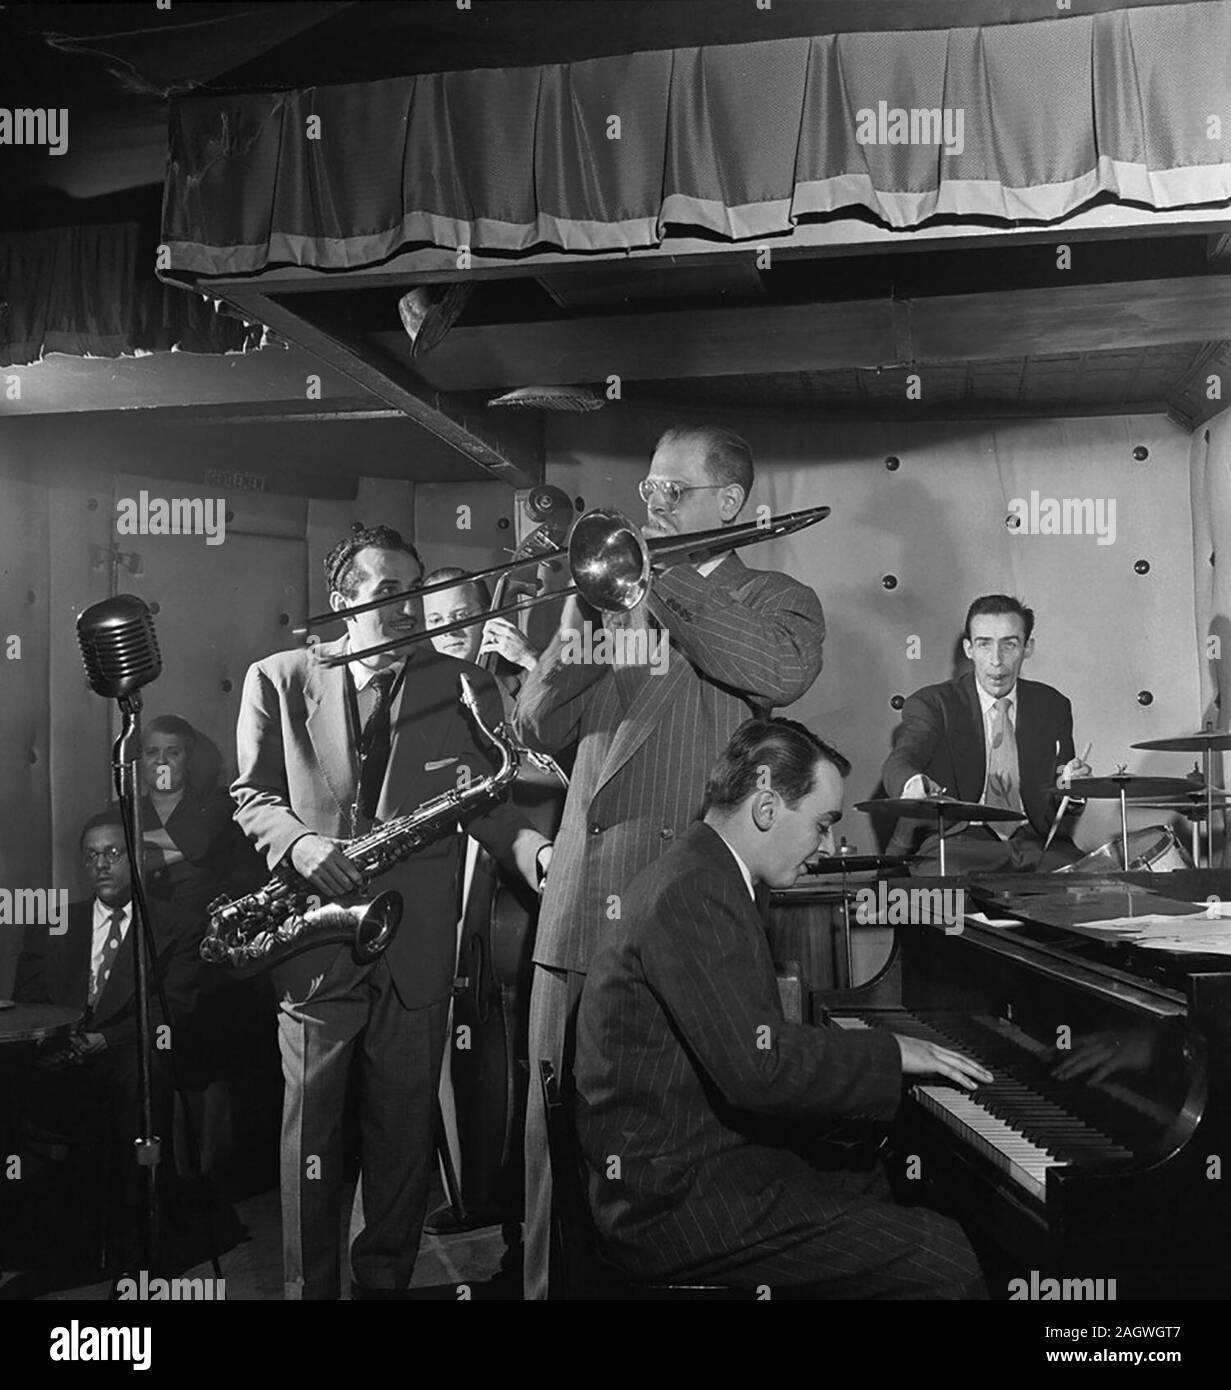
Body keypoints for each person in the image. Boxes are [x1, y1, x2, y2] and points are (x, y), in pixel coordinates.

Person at [514, 423, 827, 1298]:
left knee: (662, 1162)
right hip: (580, 906)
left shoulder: (776, 595)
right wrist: (588, 604)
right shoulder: (607, 602)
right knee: (553, 1155)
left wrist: (661, 577)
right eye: (646, 492)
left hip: (681, 923)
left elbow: (773, 672)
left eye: (670, 494)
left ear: (726, 504)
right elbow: (536, 725)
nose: (649, 507)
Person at [231, 522, 552, 1300]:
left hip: (416, 942)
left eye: (414, 591)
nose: (407, 608)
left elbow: (492, 803)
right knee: (309, 1132)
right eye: (387, 591)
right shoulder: (275, 675)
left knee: (403, 1133)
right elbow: (252, 795)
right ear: (342, 600)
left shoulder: (462, 683)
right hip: (315, 937)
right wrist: (303, 847)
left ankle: (384, 1283)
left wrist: (533, 852)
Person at [574, 717, 990, 1297]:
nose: (824, 847)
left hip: (683, 1164)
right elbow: (759, 1071)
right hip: (673, 1205)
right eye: (821, 825)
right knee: (949, 1260)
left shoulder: (703, 870)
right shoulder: (697, 891)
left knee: (877, 1178)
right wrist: (891, 1052)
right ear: (767, 806)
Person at [1, 810, 201, 1278]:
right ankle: (19, 1244)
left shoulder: (175, 925)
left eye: (113, 853)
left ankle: (134, 1254)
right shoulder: (55, 923)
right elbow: (31, 1001)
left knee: (142, 1075)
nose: (101, 865)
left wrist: (101, 1040)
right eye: (91, 856)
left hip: (125, 1056)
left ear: (136, 858)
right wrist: (55, 1044)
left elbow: (174, 1014)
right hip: (56, 1058)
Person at [881, 595, 1091, 874]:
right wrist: (914, 786)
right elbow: (900, 762)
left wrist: (1072, 788)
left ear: (1027, 648)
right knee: (943, 890)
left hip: (1036, 844)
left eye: (1009, 644)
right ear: (969, 649)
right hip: (959, 842)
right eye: (984, 644)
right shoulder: (933, 704)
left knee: (1088, 883)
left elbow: (1061, 785)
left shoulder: (1053, 705)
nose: (996, 660)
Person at [140, 714, 252, 929]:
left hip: (204, 932)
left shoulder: (219, 804)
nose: (161, 761)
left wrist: (130, 843)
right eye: (152, 752)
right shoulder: (122, 811)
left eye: (173, 752)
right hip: (144, 931)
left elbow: (199, 842)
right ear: (141, 758)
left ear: (188, 759)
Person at [421, 567, 540, 700]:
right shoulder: (421, 690)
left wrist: (530, 659)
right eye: (436, 620)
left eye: (461, 615)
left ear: (487, 615)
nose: (448, 631)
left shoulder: (524, 675)